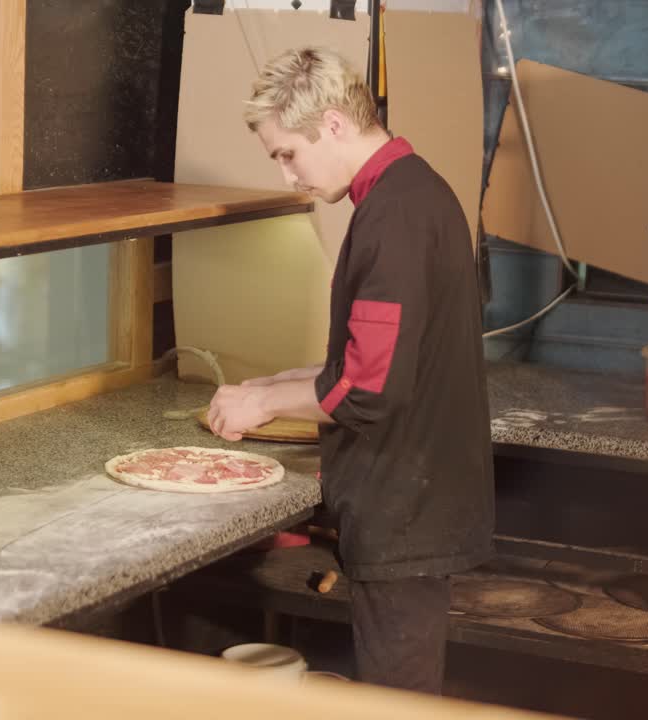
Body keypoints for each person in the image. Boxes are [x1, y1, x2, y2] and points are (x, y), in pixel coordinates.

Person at [205, 47, 495, 695]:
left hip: (405, 514)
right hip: (412, 504)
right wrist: (268, 386)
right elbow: (375, 358)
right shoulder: (409, 194)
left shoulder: (394, 216)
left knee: (399, 702)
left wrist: (262, 407)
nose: (288, 176)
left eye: (287, 154)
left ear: (333, 124)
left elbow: (365, 388)